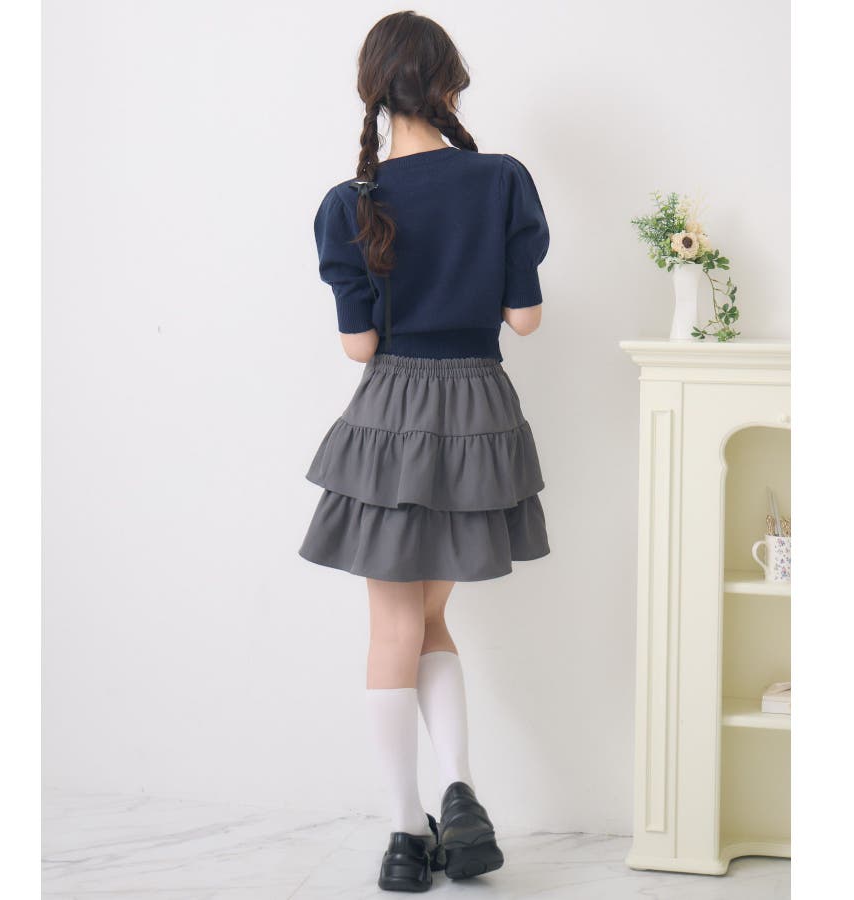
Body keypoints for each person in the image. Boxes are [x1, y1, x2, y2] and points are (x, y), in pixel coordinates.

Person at [298, 10, 550, 893]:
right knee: (432, 621)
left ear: (373, 92)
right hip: (480, 411)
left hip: (397, 415)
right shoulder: (503, 180)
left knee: (392, 629)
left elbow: (359, 348)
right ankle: (461, 795)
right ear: (448, 85)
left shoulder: (350, 203)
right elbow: (525, 319)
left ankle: (407, 833)